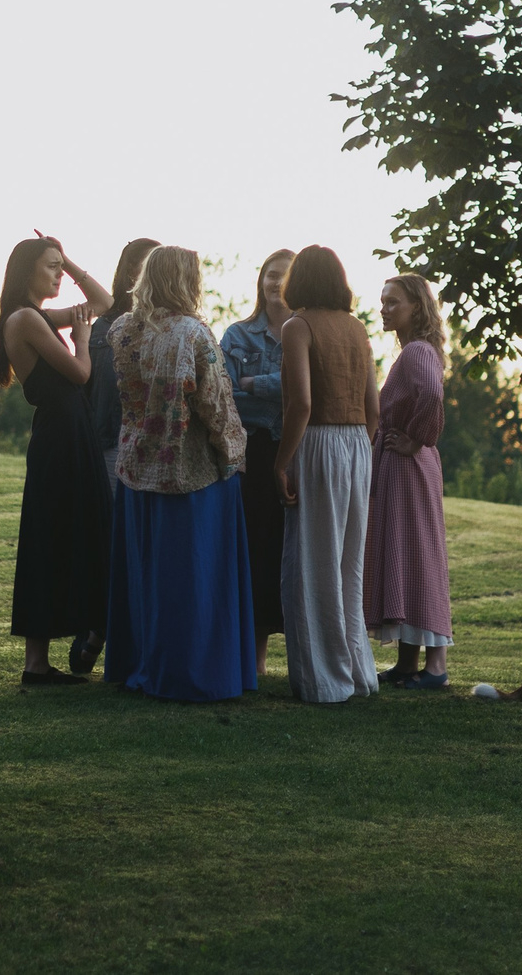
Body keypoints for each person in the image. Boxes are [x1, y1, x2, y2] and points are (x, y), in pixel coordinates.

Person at [104, 246, 254, 702]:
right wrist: (234, 453)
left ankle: (140, 664)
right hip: (189, 474)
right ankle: (190, 673)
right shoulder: (193, 334)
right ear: (184, 281)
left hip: (135, 467)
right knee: (191, 580)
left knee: (146, 576)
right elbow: (214, 404)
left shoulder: (121, 329)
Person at [0, 234, 114, 686]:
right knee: (52, 536)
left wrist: (72, 262)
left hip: (72, 434)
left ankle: (42, 661)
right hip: (59, 440)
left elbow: (103, 300)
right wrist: (81, 339)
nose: (59, 275)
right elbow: (81, 373)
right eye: (50, 267)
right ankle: (37, 663)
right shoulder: (25, 319)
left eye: (60, 267)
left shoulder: (39, 316)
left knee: (68, 532)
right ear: (27, 271)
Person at [275, 244, 381, 704]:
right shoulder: (357, 329)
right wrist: (359, 447)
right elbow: (373, 408)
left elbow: (301, 403)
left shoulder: (297, 326)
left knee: (312, 564)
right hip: (358, 443)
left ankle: (324, 681)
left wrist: (282, 462)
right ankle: (358, 674)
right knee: (348, 565)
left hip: (317, 442)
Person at [368, 273, 453, 688]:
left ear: (416, 307)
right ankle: (407, 664)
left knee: (418, 553)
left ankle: (435, 667)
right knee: (405, 551)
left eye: (393, 302)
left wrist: (417, 439)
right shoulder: (417, 350)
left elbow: (432, 396)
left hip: (409, 465)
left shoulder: (418, 350)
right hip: (405, 464)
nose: (384, 308)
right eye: (382, 301)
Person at [222, 249, 296, 671]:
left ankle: (293, 657)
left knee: (287, 553)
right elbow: (227, 393)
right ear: (260, 280)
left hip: (292, 452)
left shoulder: (306, 332)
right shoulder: (237, 335)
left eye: (285, 276)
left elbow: (310, 391)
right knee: (252, 552)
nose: (276, 283)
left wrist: (255, 382)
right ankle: (255, 661)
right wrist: (279, 386)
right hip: (249, 453)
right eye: (270, 275)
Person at [87, 238, 161, 493]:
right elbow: (89, 388)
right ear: (131, 272)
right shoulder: (103, 327)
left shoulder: (170, 327)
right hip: (109, 443)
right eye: (151, 264)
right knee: (112, 522)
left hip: (154, 447)